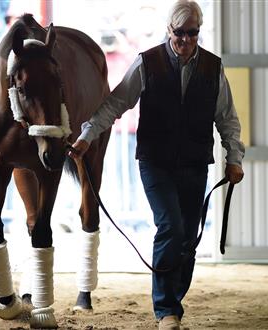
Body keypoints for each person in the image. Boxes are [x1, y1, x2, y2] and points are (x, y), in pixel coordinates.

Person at [69, 1, 245, 329]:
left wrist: (234, 158)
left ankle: (173, 299)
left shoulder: (212, 67)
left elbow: (227, 119)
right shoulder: (147, 63)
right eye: (180, 34)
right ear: (169, 30)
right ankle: (165, 309)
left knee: (188, 240)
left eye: (193, 34)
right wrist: (87, 136)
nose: (187, 41)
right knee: (171, 227)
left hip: (195, 163)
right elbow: (117, 103)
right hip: (155, 162)